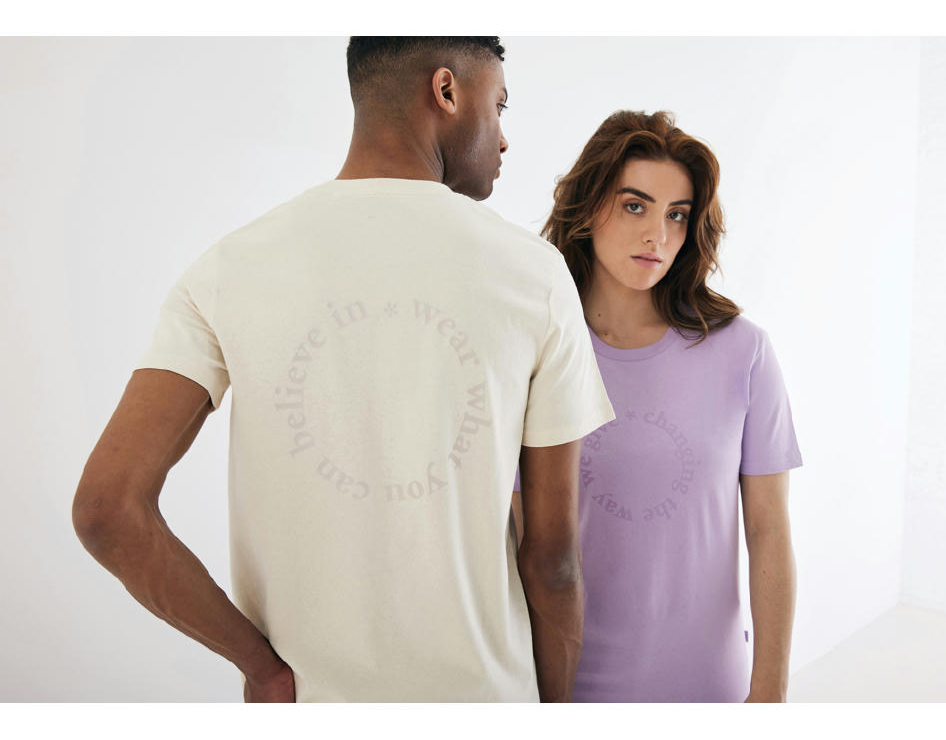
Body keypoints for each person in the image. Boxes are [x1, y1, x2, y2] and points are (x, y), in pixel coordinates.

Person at [72, 37, 614, 703]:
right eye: (498, 106)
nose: (503, 139)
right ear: (446, 91)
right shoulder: (534, 276)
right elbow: (553, 560)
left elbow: (107, 510)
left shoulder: (229, 268)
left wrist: (262, 669)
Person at [511, 110, 802, 702]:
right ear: (589, 206)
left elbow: (769, 530)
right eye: (634, 206)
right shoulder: (533, 352)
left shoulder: (742, 352)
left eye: (677, 215)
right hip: (563, 684)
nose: (658, 235)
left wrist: (770, 692)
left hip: (710, 683)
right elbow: (518, 539)